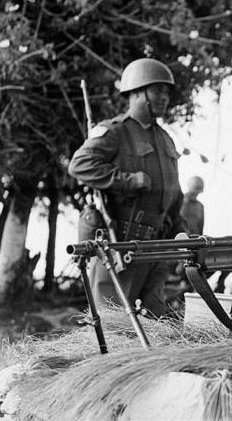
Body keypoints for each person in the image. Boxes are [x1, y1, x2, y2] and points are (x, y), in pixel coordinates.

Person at [68, 58, 186, 317]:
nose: (165, 97)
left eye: (167, 91)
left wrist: (181, 236)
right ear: (138, 92)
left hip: (156, 248)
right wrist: (128, 180)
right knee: (114, 327)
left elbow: (174, 193)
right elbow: (79, 165)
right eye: (158, 90)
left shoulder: (165, 139)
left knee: (156, 325)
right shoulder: (115, 132)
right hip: (121, 248)